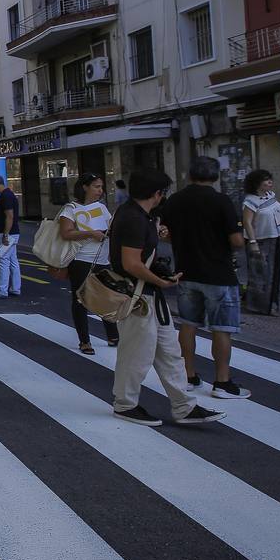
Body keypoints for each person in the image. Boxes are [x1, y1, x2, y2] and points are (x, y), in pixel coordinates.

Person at [109, 168, 225, 427]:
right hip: (137, 296)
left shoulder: (140, 215)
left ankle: (183, 405)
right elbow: (131, 263)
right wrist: (160, 280)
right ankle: (125, 405)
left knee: (170, 354)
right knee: (136, 354)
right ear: (158, 193)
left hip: (148, 295)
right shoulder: (133, 218)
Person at [158, 157, 249, 399]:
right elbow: (236, 241)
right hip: (219, 273)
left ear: (190, 175)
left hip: (186, 271)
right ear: (216, 176)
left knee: (188, 324)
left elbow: (165, 235)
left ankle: (189, 375)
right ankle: (222, 381)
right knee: (221, 328)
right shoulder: (221, 201)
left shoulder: (175, 201)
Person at [57, 173, 118, 354]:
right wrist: (91, 233)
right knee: (80, 299)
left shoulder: (101, 208)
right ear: (85, 187)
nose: (100, 191)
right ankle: (85, 341)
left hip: (103, 259)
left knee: (107, 297)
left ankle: (113, 335)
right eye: (96, 187)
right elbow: (66, 233)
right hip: (81, 259)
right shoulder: (71, 208)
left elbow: (111, 227)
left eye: (101, 187)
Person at [242, 169, 280, 316]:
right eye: (266, 180)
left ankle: (272, 304)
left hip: (273, 238)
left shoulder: (270, 195)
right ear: (257, 183)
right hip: (260, 241)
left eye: (270, 179)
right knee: (262, 274)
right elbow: (247, 222)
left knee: (274, 272)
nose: (270, 182)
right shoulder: (250, 201)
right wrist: (253, 242)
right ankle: (261, 306)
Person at [0, 175, 21, 299]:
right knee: (13, 261)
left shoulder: (5, 197)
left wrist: (5, 234)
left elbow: (9, 216)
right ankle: (15, 288)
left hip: (7, 233)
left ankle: (2, 290)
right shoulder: (9, 195)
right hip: (13, 232)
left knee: (2, 260)